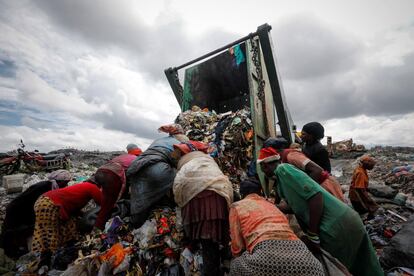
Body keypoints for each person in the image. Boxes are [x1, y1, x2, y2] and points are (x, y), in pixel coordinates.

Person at [259, 147, 383, 276]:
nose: (263, 171)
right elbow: (294, 205)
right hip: (347, 219)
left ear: (265, 165)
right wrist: (271, 206)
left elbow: (315, 196)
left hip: (335, 226)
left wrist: (312, 234)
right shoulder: (280, 182)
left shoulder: (284, 170)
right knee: (365, 265)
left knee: (340, 268)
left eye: (262, 168)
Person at [229, 179, 324, 276]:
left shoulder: (237, 206)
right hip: (307, 262)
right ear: (261, 192)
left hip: (265, 256)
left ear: (241, 194)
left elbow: (237, 247)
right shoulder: (272, 205)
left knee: (235, 265)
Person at [173, 141, 233, 276]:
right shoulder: (208, 160)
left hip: (196, 199)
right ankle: (219, 256)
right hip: (219, 195)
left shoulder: (186, 161)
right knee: (212, 236)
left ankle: (210, 270)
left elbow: (180, 183)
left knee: (206, 241)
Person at [127, 124, 189, 227]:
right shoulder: (181, 141)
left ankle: (135, 224)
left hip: (137, 166)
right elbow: (178, 161)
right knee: (179, 179)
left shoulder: (159, 140)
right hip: (158, 167)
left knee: (140, 195)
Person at [0, 169, 72, 258]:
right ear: (60, 181)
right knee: (12, 230)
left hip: (24, 209)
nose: (66, 185)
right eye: (66, 182)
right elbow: (37, 202)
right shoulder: (44, 187)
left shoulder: (50, 186)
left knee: (19, 230)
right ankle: (8, 251)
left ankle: (13, 249)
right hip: (17, 210)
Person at [31, 182, 102, 258]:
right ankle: (49, 255)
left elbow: (73, 205)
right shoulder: (92, 187)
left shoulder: (82, 187)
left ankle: (66, 247)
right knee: (49, 233)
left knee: (69, 225)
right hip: (48, 204)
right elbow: (103, 202)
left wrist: (83, 215)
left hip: (44, 201)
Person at [264, 137, 344, 201]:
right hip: (317, 188)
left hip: (325, 185)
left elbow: (317, 170)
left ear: (274, 150)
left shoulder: (291, 156)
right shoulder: (281, 160)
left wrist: (301, 192)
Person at [88, 143, 142, 229]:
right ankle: (98, 228)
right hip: (111, 176)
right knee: (108, 204)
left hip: (100, 171)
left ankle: (96, 219)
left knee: (105, 199)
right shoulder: (138, 159)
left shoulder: (123, 156)